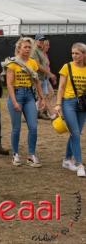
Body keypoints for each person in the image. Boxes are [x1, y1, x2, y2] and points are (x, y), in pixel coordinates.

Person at [4, 37, 44, 168]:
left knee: (33, 127)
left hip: (29, 95)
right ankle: (15, 154)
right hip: (16, 94)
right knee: (16, 128)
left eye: (29, 47)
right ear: (19, 48)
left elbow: (37, 80)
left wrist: (41, 97)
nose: (27, 49)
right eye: (25, 47)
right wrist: (14, 101)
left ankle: (31, 155)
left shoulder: (33, 63)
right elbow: (9, 84)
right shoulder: (12, 63)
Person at [55, 43, 86, 177]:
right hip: (68, 103)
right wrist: (58, 104)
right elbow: (61, 87)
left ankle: (67, 160)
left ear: (84, 54)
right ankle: (79, 164)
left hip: (83, 104)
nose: (74, 56)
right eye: (72, 53)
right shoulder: (67, 67)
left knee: (76, 133)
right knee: (75, 133)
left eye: (77, 53)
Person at [31, 34, 56, 120]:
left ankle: (35, 113)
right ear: (35, 41)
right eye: (40, 40)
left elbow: (44, 64)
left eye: (42, 40)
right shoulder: (34, 51)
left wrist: (48, 75)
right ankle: (52, 115)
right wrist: (50, 73)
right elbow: (37, 65)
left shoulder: (40, 51)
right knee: (42, 97)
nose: (41, 42)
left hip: (43, 78)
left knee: (43, 97)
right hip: (38, 78)